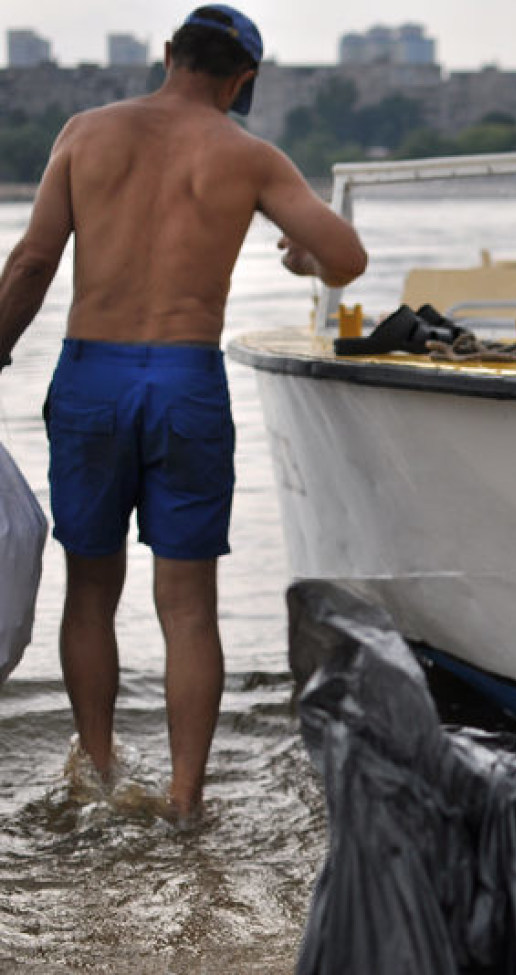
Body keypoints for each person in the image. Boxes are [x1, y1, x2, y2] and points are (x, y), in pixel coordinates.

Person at [0, 5, 368, 822]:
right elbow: (345, 256)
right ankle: (184, 799)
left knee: (90, 587)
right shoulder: (250, 156)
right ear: (244, 82)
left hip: (92, 374)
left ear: (168, 55)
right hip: (186, 380)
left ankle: (95, 774)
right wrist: (303, 253)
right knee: (189, 603)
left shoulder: (84, 132)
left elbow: (31, 262)